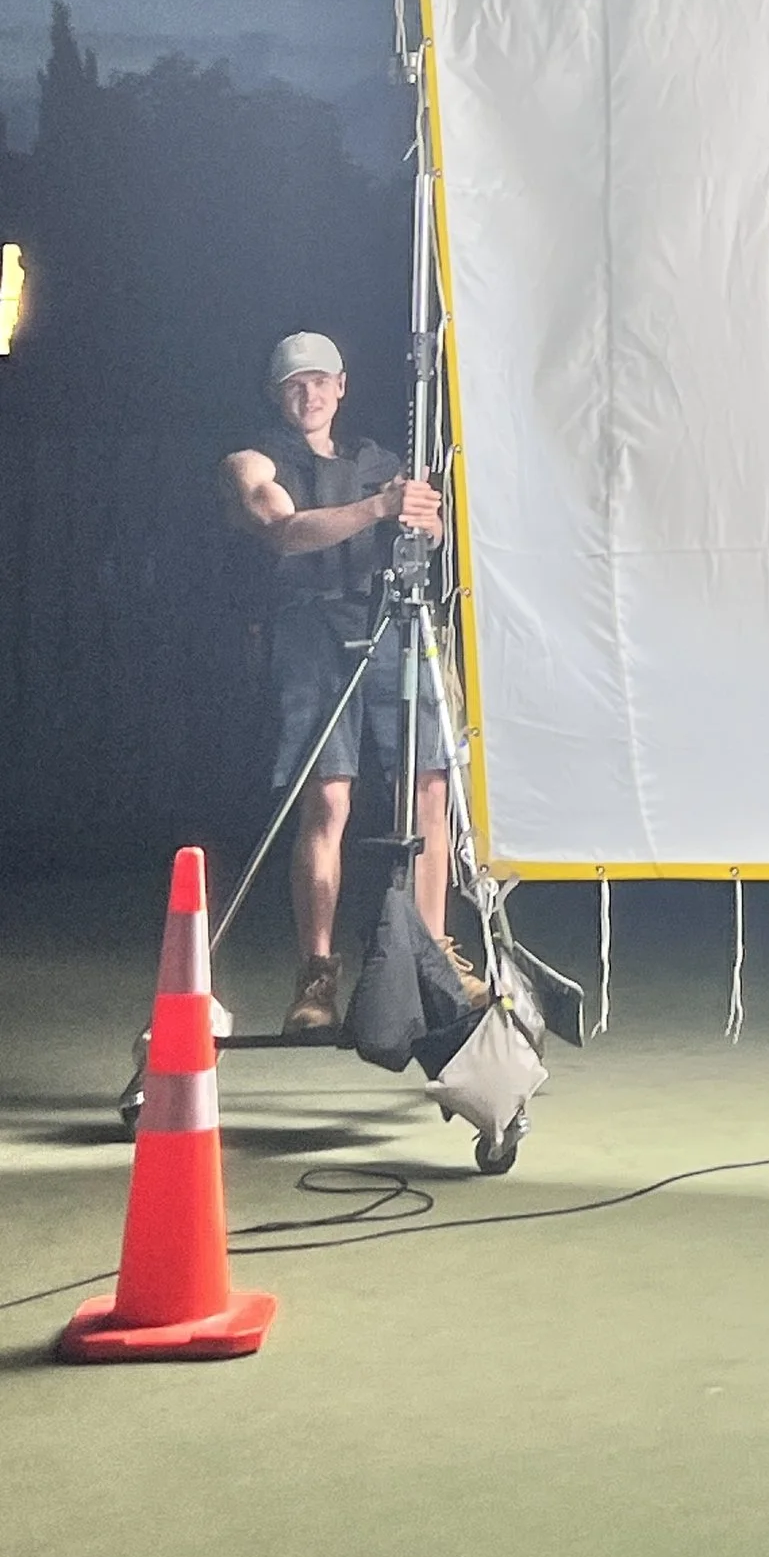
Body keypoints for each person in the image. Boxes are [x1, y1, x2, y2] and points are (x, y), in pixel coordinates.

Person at [222, 332, 486, 1036]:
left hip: (392, 621)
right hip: (310, 632)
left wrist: (422, 521)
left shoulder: (382, 461)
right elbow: (281, 528)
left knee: (430, 785)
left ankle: (432, 953)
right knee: (327, 798)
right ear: (278, 395)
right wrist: (379, 508)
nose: (309, 395)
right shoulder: (253, 460)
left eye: (320, 382)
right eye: (294, 385)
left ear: (341, 386)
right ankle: (316, 972)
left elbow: (427, 536)